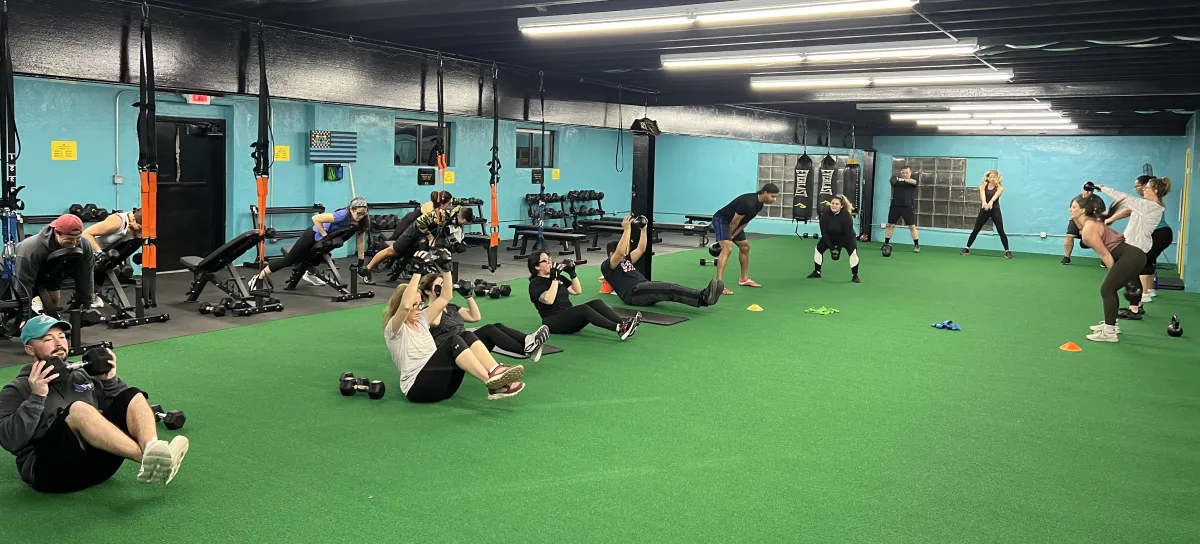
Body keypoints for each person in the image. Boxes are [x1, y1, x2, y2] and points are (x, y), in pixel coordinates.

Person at [0, 314, 189, 492]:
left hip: (99, 468)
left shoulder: (81, 375)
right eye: (48, 339)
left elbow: (123, 410)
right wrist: (36, 397)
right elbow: (9, 440)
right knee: (79, 409)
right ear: (30, 349)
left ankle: (151, 447)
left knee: (132, 394)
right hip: (51, 474)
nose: (59, 343)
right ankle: (150, 459)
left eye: (62, 337)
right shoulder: (16, 389)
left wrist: (110, 381)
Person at [383, 253, 525, 402]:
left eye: (420, 304)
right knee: (453, 341)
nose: (419, 308)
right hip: (419, 390)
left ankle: (494, 371)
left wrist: (446, 269)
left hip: (445, 386)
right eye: (415, 305)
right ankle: (491, 383)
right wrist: (417, 272)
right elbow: (405, 307)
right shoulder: (394, 330)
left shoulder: (422, 319)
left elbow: (446, 297)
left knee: (465, 335)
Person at [418, 273, 551, 363]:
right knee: (488, 330)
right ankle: (527, 349)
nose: (444, 287)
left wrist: (468, 296)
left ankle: (528, 341)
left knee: (497, 326)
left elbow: (475, 317)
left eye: (444, 284)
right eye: (440, 284)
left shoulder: (451, 307)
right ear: (428, 291)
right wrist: (440, 300)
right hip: (452, 352)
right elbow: (434, 322)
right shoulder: (426, 312)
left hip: (469, 344)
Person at [1069, 193, 1146, 343]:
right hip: (1133, 255)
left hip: (1131, 257)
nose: (1070, 209)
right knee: (1110, 289)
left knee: (1107, 289)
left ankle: (1109, 332)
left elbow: (1105, 255)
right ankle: (1112, 325)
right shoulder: (1089, 224)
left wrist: (1115, 275)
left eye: (1073, 207)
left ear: (1082, 210)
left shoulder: (1089, 229)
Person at [250, 197, 370, 290]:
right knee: (288, 261)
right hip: (311, 235)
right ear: (351, 209)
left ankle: (309, 275)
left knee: (317, 258)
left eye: (363, 213)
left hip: (325, 240)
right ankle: (258, 277)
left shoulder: (363, 221)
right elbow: (316, 219)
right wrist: (325, 235)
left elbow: (360, 241)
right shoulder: (342, 215)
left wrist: (361, 261)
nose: (361, 216)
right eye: (358, 213)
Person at [602, 216, 723, 307]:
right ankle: (703, 297)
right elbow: (620, 252)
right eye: (621, 252)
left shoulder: (625, 260)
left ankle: (703, 297)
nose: (624, 254)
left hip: (642, 288)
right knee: (669, 288)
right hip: (634, 293)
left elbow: (641, 249)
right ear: (611, 254)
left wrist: (643, 230)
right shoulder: (608, 266)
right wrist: (627, 230)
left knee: (668, 289)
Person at [1097, 177, 1169, 321]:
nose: (1143, 190)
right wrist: (1111, 219)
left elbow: (1124, 198)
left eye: (1147, 188)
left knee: (1129, 279)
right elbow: (1128, 210)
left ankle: (1134, 310)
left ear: (1155, 190)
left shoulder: (1150, 207)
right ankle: (1136, 306)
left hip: (1135, 248)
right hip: (1133, 244)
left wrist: (1103, 188)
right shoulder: (1146, 205)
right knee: (1132, 276)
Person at [527, 250, 641, 339]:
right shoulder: (535, 284)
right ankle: (619, 328)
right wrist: (555, 279)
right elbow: (549, 300)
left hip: (568, 317)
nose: (549, 262)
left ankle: (624, 324)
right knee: (583, 309)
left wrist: (572, 274)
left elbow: (576, 291)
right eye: (545, 261)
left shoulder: (557, 277)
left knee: (597, 303)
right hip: (553, 322)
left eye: (549, 259)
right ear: (537, 266)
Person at [362, 204, 474, 282]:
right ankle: (366, 269)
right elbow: (420, 221)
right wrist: (430, 237)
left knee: (423, 253)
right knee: (392, 252)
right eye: (464, 221)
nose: (463, 224)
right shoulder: (442, 214)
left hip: (424, 235)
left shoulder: (456, 220)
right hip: (414, 231)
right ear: (461, 217)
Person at [14, 214, 96, 315]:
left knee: (52, 306)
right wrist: (25, 314)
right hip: (15, 273)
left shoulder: (84, 245)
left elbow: (86, 275)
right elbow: (23, 284)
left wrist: (87, 305)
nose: (74, 243)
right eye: (69, 239)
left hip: (50, 272)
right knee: (13, 310)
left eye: (77, 238)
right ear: (57, 233)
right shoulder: (32, 249)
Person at [712, 184, 779, 294]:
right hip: (722, 220)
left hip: (735, 224)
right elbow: (734, 222)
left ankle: (744, 279)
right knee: (727, 248)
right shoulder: (748, 203)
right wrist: (727, 238)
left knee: (745, 247)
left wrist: (732, 236)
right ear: (765, 193)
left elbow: (745, 222)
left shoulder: (759, 204)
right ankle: (718, 285)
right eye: (773, 196)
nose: (774, 200)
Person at [808, 195, 861, 283]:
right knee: (818, 249)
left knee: (853, 252)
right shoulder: (825, 215)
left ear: (841, 206)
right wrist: (832, 248)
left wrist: (838, 249)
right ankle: (817, 272)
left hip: (846, 238)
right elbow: (824, 233)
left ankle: (855, 275)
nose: (834, 205)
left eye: (837, 204)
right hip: (830, 237)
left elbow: (847, 234)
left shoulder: (847, 216)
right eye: (832, 203)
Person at [960, 170, 1011, 258]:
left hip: (995, 210)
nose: (992, 179)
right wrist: (984, 202)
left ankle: (1007, 251)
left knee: (1000, 230)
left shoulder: (1000, 188)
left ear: (997, 178)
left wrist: (991, 202)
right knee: (976, 229)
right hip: (985, 209)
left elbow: (995, 196)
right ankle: (967, 248)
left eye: (994, 177)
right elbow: (983, 197)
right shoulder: (983, 187)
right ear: (988, 177)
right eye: (990, 177)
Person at [1063, 185, 1105, 265]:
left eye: (1090, 191)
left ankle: (1104, 259)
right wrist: (1081, 229)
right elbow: (1074, 215)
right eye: (1086, 190)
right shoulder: (1076, 200)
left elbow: (1101, 217)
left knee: (1102, 238)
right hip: (1077, 220)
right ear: (1082, 190)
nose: (1087, 192)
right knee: (1069, 236)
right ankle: (1066, 257)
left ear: (1092, 191)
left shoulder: (1098, 201)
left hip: (1092, 222)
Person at [884, 166, 920, 253]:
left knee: (912, 226)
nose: (904, 174)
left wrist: (902, 180)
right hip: (895, 206)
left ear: (910, 173)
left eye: (906, 173)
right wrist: (899, 180)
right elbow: (892, 181)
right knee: (890, 225)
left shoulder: (912, 182)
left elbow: (914, 182)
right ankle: (886, 244)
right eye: (903, 173)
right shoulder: (895, 180)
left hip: (908, 207)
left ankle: (916, 245)